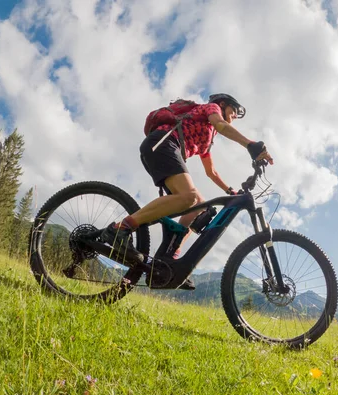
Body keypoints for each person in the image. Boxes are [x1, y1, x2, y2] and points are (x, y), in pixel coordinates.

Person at [100, 93, 273, 285]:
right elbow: (222, 125)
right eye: (233, 111)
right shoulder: (211, 109)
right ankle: (120, 229)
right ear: (222, 105)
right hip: (163, 143)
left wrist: (230, 190)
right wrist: (250, 144)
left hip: (166, 148)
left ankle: (168, 258)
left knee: (200, 205)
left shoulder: (207, 136)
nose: (234, 117)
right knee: (189, 197)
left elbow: (211, 172)